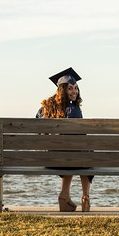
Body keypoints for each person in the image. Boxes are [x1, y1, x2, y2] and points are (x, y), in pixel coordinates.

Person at [36, 67, 93, 212]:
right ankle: (85, 196)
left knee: (70, 154)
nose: (74, 91)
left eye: (75, 88)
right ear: (63, 91)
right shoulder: (74, 110)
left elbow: (38, 131)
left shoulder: (45, 108)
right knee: (87, 155)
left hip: (51, 160)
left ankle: (64, 196)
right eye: (70, 89)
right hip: (71, 158)